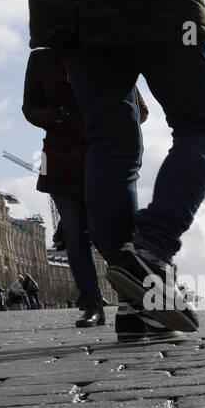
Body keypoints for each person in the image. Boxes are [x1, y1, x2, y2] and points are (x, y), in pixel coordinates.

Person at [30, 0, 205, 340]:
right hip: (165, 9)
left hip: (71, 16)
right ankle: (152, 249)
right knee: (200, 127)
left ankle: (134, 306)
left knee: (108, 143)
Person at [23, 47, 149, 328]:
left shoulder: (104, 52)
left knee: (108, 233)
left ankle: (130, 299)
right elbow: (29, 107)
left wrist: (109, 131)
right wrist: (56, 117)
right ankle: (91, 304)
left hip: (100, 159)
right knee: (75, 233)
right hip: (57, 158)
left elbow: (140, 110)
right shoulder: (41, 59)